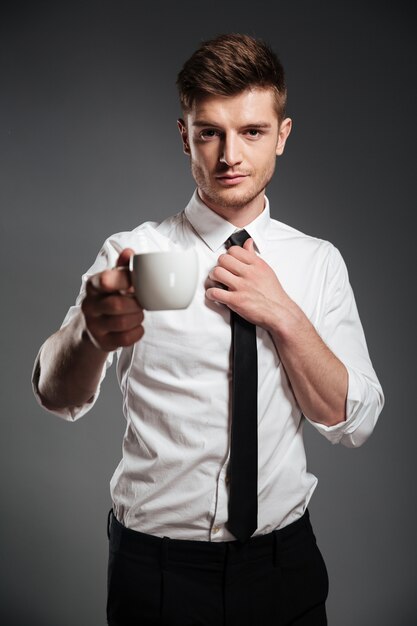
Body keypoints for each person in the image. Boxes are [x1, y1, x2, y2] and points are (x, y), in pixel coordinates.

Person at [32, 33, 384, 626]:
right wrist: (90, 335)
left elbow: (356, 421)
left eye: (251, 131)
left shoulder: (316, 262)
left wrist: (283, 313)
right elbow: (53, 392)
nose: (230, 156)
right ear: (184, 135)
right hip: (156, 570)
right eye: (209, 132)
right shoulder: (132, 254)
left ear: (283, 135)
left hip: (282, 564)